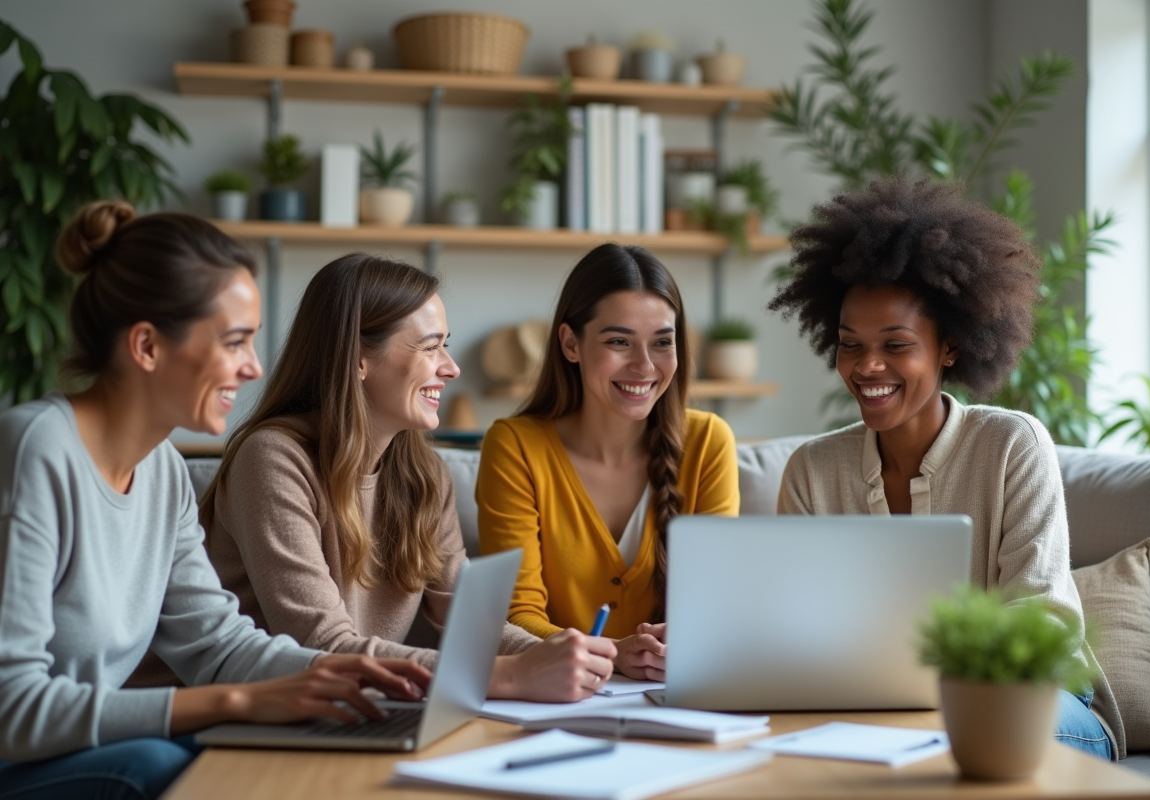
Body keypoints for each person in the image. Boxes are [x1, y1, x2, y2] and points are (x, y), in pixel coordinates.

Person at [0, 203, 430, 800]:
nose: (253, 367)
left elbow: (216, 644)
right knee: (157, 763)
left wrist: (334, 671)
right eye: (234, 342)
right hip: (22, 755)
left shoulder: (162, 469)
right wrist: (237, 702)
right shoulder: (35, 451)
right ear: (147, 346)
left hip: (82, 749)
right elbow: (11, 705)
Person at [768, 175, 1122, 760]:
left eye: (895, 344)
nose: (867, 366)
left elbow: (1043, 619)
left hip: (1029, 700)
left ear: (949, 347)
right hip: (877, 706)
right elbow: (793, 621)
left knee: (958, 730)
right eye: (850, 344)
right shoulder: (812, 469)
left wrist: (938, 676)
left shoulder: (1012, 444)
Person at [202, 253, 616, 702]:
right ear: (358, 358)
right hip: (237, 716)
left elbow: (473, 625)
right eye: (430, 347)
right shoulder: (273, 460)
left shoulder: (424, 476)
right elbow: (322, 647)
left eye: (446, 345)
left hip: (345, 711)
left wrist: (579, 658)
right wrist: (512, 675)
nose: (451, 368)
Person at [476, 244, 740, 682]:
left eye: (662, 342)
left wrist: (685, 642)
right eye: (619, 341)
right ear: (570, 344)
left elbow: (715, 605)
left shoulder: (709, 441)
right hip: (562, 695)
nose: (644, 366)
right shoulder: (516, 447)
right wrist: (614, 653)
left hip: (675, 693)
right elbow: (517, 616)